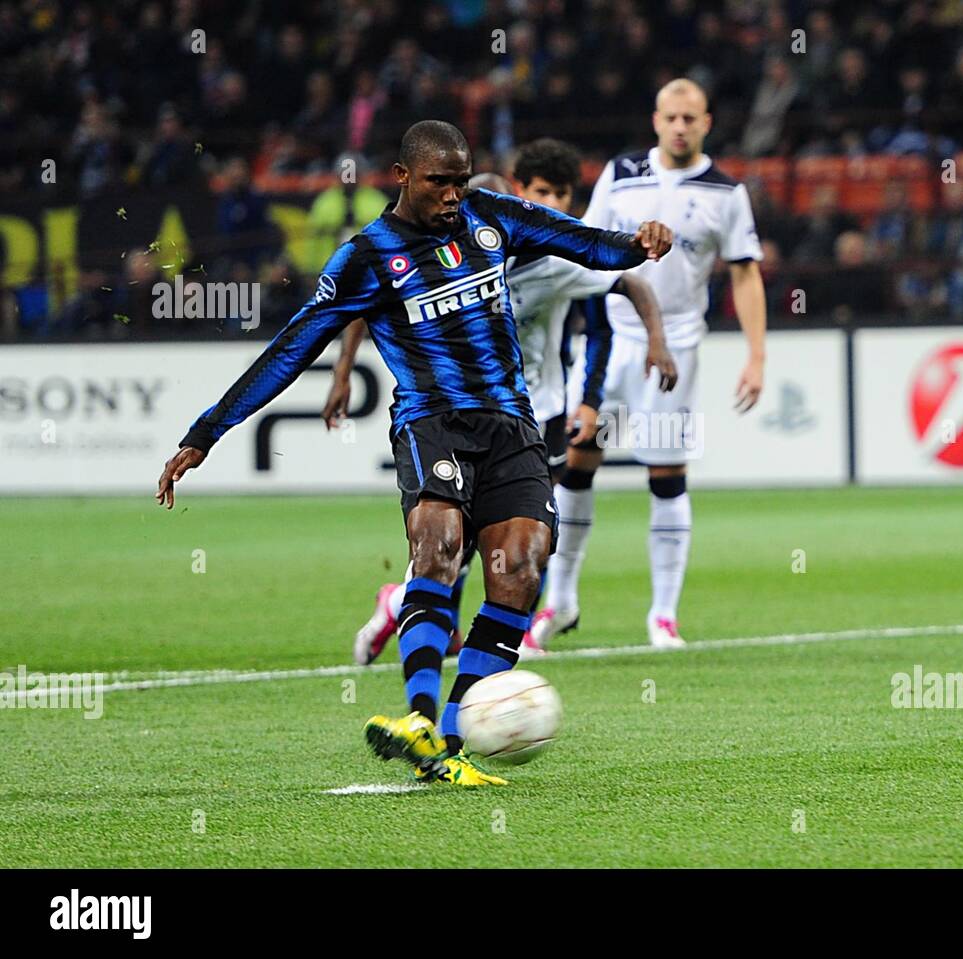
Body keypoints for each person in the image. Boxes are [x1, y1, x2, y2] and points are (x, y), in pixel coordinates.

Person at [155, 120, 672, 787]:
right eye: (440, 182)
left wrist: (639, 243)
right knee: (440, 547)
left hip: (512, 424)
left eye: (461, 179)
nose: (455, 194)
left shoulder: (491, 215)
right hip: (433, 423)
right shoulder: (368, 256)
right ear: (402, 177)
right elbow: (292, 347)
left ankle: (447, 740)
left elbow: (585, 245)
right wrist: (207, 430)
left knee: (519, 569)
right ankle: (420, 714)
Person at [326, 140, 677, 666]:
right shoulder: (455, 249)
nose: (551, 203)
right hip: (464, 414)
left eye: (560, 193)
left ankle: (464, 628)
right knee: (461, 540)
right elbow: (365, 296)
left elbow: (626, 285)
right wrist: (344, 367)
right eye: (541, 193)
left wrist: (645, 351)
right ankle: (422, 614)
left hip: (538, 415)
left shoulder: (552, 257)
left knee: (519, 542)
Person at [532, 78, 767, 651]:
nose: (680, 126)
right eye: (671, 117)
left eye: (691, 118)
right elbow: (583, 244)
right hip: (609, 345)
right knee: (577, 464)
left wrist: (756, 354)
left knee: (664, 475)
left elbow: (744, 272)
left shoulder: (725, 193)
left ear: (706, 123)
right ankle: (558, 603)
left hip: (675, 351)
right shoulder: (620, 173)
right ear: (656, 120)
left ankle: (663, 614)